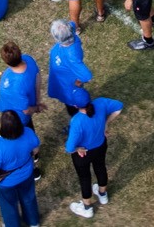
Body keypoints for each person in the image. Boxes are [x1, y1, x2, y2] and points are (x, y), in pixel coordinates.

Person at [63, 88, 123, 218]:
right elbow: (119, 107)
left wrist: (78, 149)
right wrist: (106, 124)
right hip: (100, 146)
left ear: (75, 105)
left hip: (83, 155)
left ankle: (87, 208)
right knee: (100, 168)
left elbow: (69, 148)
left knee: (85, 178)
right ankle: (103, 195)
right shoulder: (100, 103)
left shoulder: (77, 121)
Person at [0, 109, 43, 227]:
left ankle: (12, 224)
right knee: (29, 198)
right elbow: (36, 150)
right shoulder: (28, 132)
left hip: (7, 183)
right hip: (27, 174)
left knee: (8, 204)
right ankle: (33, 222)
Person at [47, 18, 93, 111]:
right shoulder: (69, 30)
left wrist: (78, 81)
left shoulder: (72, 57)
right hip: (61, 78)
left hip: (67, 85)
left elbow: (87, 76)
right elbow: (71, 24)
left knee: (72, 104)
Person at [0, 42, 42, 129]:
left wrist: (36, 108)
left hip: (18, 119)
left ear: (6, 62)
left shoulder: (17, 87)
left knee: (27, 133)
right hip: (15, 111)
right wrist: (37, 102)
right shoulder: (28, 59)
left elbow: (26, 110)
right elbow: (38, 77)